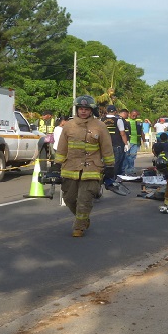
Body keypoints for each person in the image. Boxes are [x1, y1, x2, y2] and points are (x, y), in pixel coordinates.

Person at [53, 95, 115, 237]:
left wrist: (110, 166)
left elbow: (107, 148)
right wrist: (56, 165)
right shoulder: (68, 126)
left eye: (86, 109)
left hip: (92, 169)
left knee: (84, 199)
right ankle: (84, 218)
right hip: (70, 168)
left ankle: (79, 227)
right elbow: (62, 147)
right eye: (80, 108)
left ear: (91, 110)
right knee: (69, 198)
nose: (83, 111)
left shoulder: (100, 126)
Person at [101, 105, 128, 178]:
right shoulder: (118, 120)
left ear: (107, 111)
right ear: (115, 112)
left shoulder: (101, 120)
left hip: (105, 145)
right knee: (116, 162)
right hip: (117, 144)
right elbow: (122, 133)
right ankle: (113, 177)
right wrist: (126, 144)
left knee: (105, 162)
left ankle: (105, 177)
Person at [122, 109, 145, 176]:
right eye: (133, 115)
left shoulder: (139, 121)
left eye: (135, 115)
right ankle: (125, 170)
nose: (134, 117)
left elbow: (141, 131)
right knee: (126, 156)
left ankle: (131, 169)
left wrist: (144, 141)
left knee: (133, 156)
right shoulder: (126, 121)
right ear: (129, 114)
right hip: (128, 141)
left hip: (136, 141)